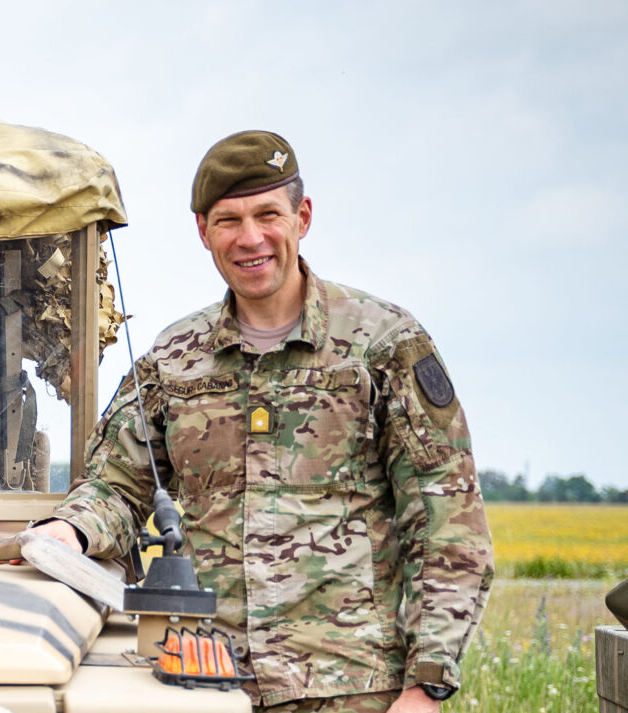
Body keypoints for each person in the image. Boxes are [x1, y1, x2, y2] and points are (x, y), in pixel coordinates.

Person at [29, 131, 493, 712]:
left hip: (351, 688)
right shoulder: (173, 358)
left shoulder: (382, 344)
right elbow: (117, 486)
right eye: (229, 221)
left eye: (267, 215)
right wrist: (69, 530)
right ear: (204, 231)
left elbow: (447, 520)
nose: (250, 239)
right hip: (204, 681)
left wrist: (426, 686)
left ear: (302, 217)